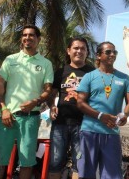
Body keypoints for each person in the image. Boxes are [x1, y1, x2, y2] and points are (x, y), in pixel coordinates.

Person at [0, 25, 53, 179]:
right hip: (6, 117)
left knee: (26, 162)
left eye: (32, 35)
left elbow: (48, 90)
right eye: (24, 35)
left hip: (30, 119)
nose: (28, 38)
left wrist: (36, 101)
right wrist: (4, 109)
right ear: (22, 38)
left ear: (38, 39)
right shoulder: (10, 59)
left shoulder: (46, 63)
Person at [76, 41, 129, 179]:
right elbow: (80, 103)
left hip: (111, 132)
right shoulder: (89, 77)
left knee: (112, 175)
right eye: (108, 52)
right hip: (89, 131)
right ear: (98, 55)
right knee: (85, 174)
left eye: (115, 52)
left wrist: (124, 115)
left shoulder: (125, 78)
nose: (112, 54)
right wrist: (100, 115)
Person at [48, 37, 95, 179]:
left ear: (87, 52)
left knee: (79, 164)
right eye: (76, 48)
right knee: (55, 163)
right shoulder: (60, 72)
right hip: (60, 123)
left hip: (83, 124)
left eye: (83, 48)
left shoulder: (93, 73)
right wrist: (51, 106)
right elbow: (52, 93)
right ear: (68, 51)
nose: (79, 51)